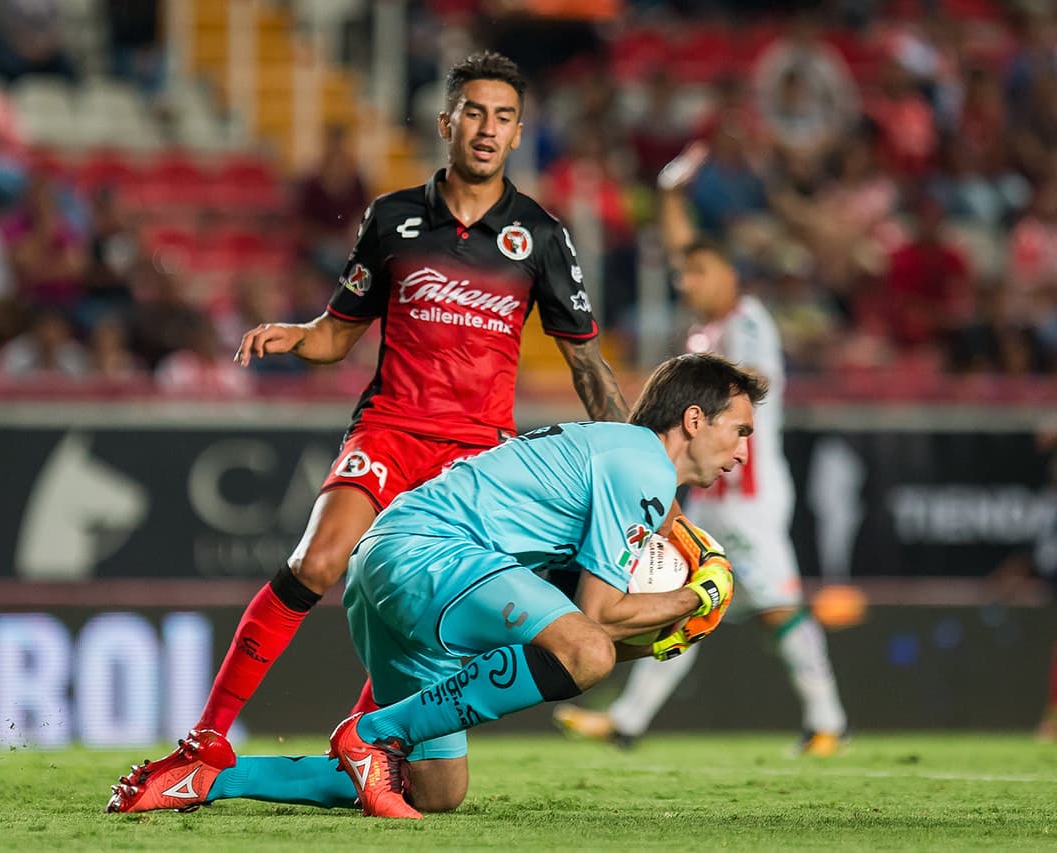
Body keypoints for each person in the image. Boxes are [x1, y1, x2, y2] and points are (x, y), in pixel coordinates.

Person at [106, 51, 630, 813]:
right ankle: (206, 739)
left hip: (478, 461)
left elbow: (586, 364)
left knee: (436, 772)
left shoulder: (542, 235)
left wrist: (633, 460)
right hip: (391, 428)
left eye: (504, 117)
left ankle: (358, 744)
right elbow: (337, 333)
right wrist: (298, 335)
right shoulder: (393, 218)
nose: (487, 129)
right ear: (447, 122)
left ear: (519, 134)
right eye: (474, 113)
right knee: (318, 560)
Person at [106, 352, 762, 818]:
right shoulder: (645, 467)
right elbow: (596, 620)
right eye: (740, 431)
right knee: (582, 651)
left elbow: (573, 631)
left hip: (392, 564)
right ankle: (373, 732)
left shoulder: (617, 452)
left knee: (435, 788)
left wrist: (654, 639)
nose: (742, 451)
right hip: (430, 554)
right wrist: (700, 595)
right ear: (694, 419)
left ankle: (209, 778)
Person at [553, 142, 849, 756]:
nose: (685, 283)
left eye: (695, 275)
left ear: (727, 276)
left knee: (776, 607)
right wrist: (669, 197)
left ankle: (828, 721)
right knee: (680, 596)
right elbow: (689, 252)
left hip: (747, 497)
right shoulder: (709, 326)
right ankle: (629, 719)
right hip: (710, 491)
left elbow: (743, 391)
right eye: (682, 276)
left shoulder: (747, 324)